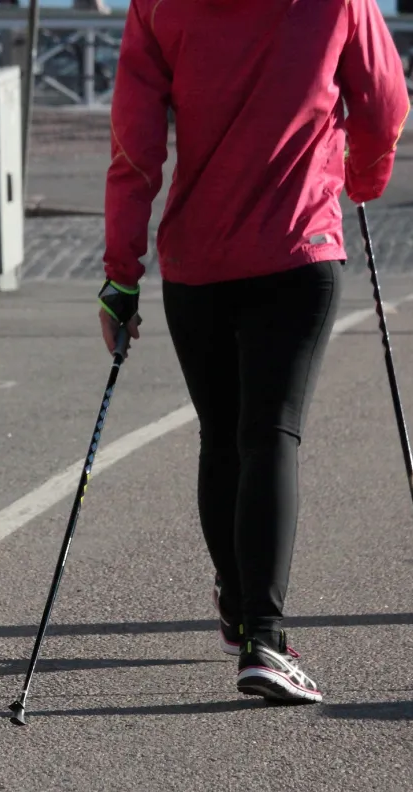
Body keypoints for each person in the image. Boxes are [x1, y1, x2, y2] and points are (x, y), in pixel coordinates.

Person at [97, 0, 409, 704]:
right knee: (270, 432)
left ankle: (241, 610)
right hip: (299, 250)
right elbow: (386, 104)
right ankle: (265, 638)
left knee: (223, 437)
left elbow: (135, 142)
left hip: (196, 261)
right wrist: (363, 177)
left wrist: (121, 272)